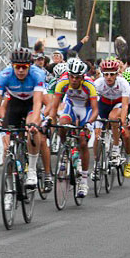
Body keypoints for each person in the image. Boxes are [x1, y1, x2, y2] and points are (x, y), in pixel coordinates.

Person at [0, 48, 46, 191]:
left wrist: (34, 122)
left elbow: (37, 103)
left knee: (32, 129)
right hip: (14, 105)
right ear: (12, 66)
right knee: (7, 148)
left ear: (30, 66)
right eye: (17, 67)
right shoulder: (4, 76)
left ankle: (32, 170)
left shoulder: (37, 74)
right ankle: (9, 189)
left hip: (30, 105)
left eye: (24, 67)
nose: (20, 70)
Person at [47, 57, 98, 198]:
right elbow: (55, 105)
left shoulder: (89, 85)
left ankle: (83, 180)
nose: (74, 80)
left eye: (77, 77)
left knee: (82, 142)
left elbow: (95, 110)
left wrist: (89, 123)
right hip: (71, 106)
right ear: (68, 75)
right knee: (62, 123)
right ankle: (65, 150)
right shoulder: (62, 82)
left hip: (86, 110)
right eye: (72, 76)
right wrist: (51, 118)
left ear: (82, 77)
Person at [93, 58, 130, 178]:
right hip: (104, 105)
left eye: (112, 74)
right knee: (97, 135)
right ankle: (96, 165)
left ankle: (116, 148)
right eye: (106, 74)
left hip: (118, 103)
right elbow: (93, 104)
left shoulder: (123, 83)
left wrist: (123, 119)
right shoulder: (98, 83)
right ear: (102, 74)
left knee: (113, 118)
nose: (109, 77)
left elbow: (125, 105)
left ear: (117, 74)